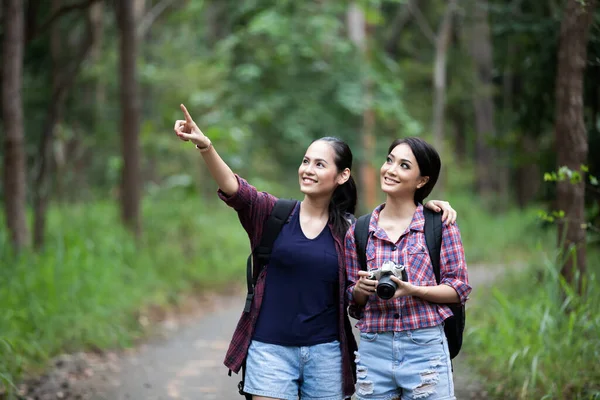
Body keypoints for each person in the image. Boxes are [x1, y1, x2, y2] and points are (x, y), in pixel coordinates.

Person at [173, 104, 457, 400]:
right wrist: (206, 146)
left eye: (320, 164)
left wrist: (428, 207)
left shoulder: (353, 231)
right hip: (269, 350)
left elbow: (384, 244)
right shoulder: (273, 213)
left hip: (327, 355)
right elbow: (235, 189)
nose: (308, 169)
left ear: (342, 175)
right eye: (306, 161)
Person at [345, 137, 471, 400]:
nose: (390, 169)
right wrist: (360, 289)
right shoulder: (359, 231)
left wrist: (412, 290)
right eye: (389, 160)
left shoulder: (439, 224)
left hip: (424, 347)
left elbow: (458, 289)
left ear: (421, 180)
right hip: (373, 347)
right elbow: (354, 302)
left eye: (404, 165)